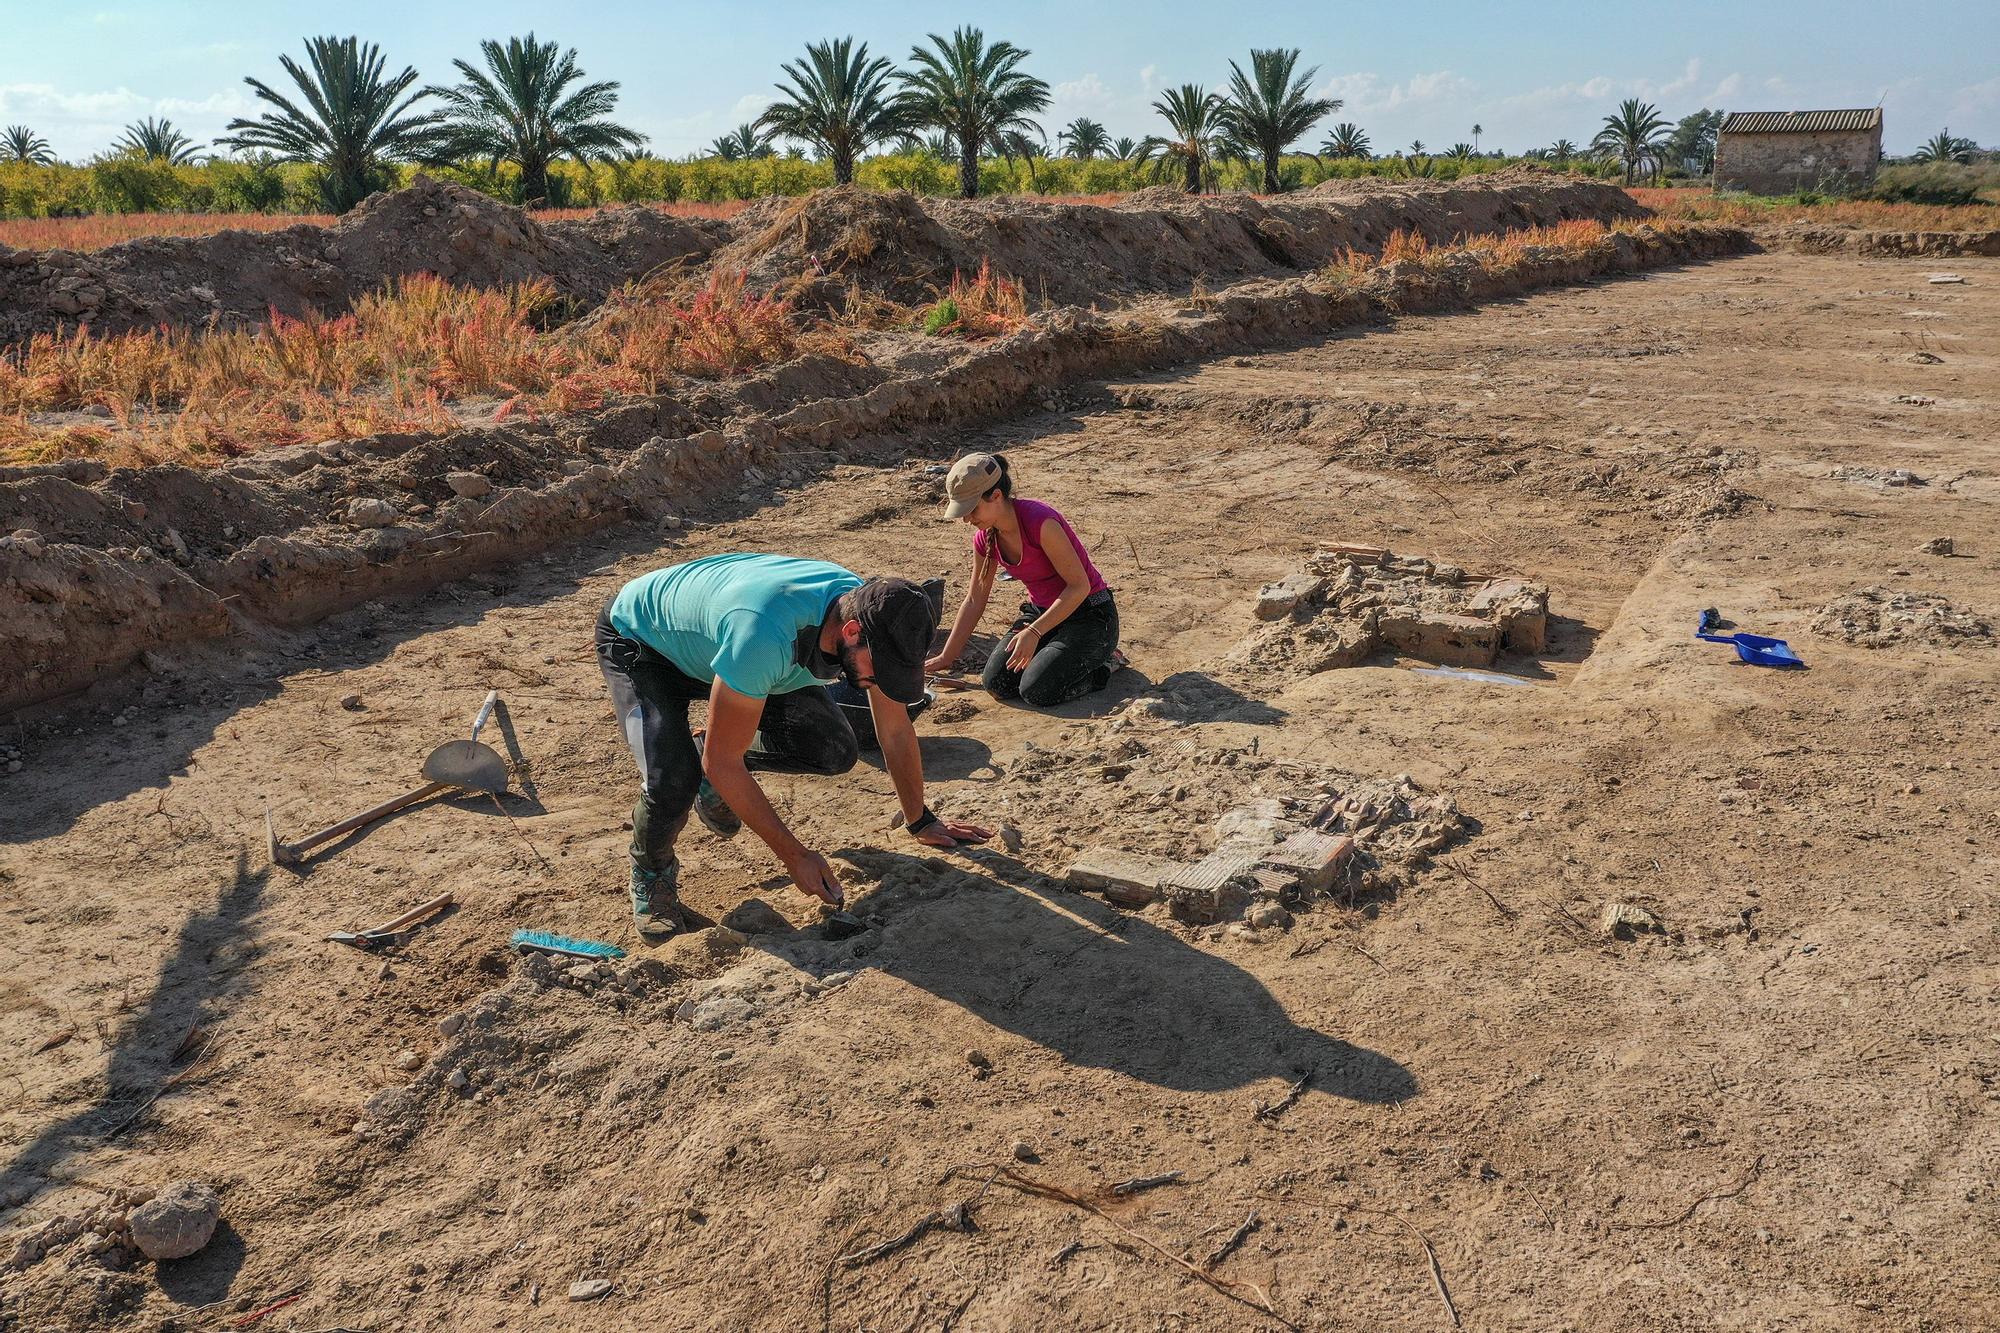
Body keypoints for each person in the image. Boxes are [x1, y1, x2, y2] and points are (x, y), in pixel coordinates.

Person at [597, 553, 991, 940]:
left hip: (726, 647)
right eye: (883, 668)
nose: (884, 678)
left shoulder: (874, 616)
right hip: (643, 644)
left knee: (832, 749)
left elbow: (894, 729)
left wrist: (920, 820)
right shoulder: (763, 636)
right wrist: (796, 856)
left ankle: (706, 746)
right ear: (851, 633)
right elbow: (724, 762)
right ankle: (652, 874)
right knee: (674, 779)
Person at [927, 453, 1121, 707]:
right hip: (1043, 615)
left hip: (1090, 615)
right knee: (997, 684)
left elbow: (1079, 586)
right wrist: (947, 656)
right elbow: (975, 598)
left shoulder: (1040, 522)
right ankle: (1053, 652)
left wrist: (1034, 632)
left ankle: (1105, 664)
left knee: (1038, 691)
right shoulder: (985, 539)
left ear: (996, 496)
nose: (966, 519)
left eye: (971, 509)